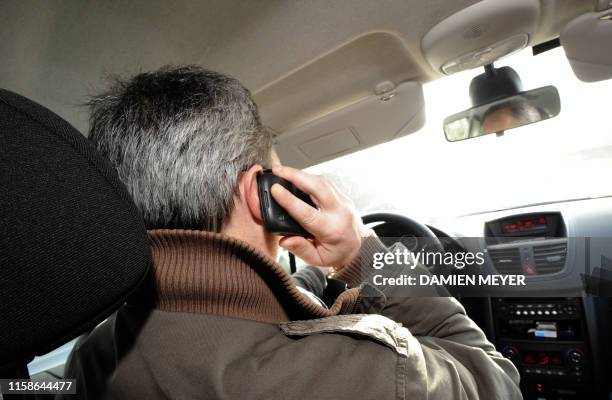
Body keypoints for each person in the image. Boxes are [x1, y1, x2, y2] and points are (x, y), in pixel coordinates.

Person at [63, 65, 521, 399]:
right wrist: (362, 252)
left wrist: (328, 273)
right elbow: (497, 380)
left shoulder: (94, 353)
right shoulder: (373, 374)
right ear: (259, 192)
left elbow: (249, 307)